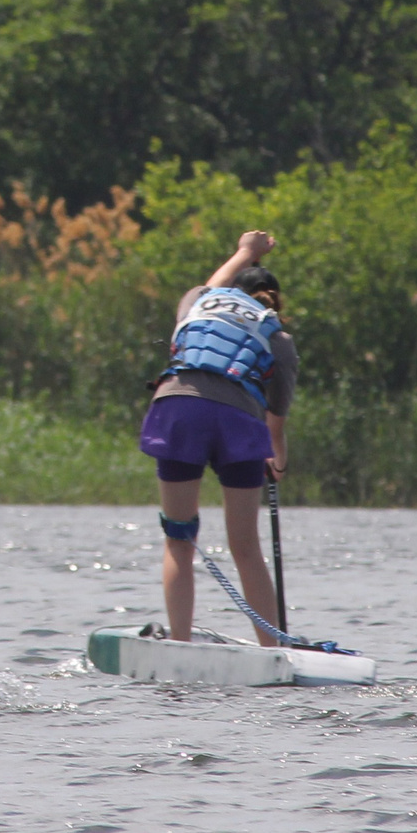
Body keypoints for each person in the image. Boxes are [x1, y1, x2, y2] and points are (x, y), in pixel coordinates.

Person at [141, 229, 297, 644]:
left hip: (179, 407)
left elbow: (215, 282)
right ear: (275, 301)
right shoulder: (279, 338)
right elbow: (275, 430)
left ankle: (179, 643)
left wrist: (246, 251)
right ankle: (273, 648)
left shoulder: (198, 302)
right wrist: (276, 465)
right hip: (239, 420)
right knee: (246, 547)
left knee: (179, 536)